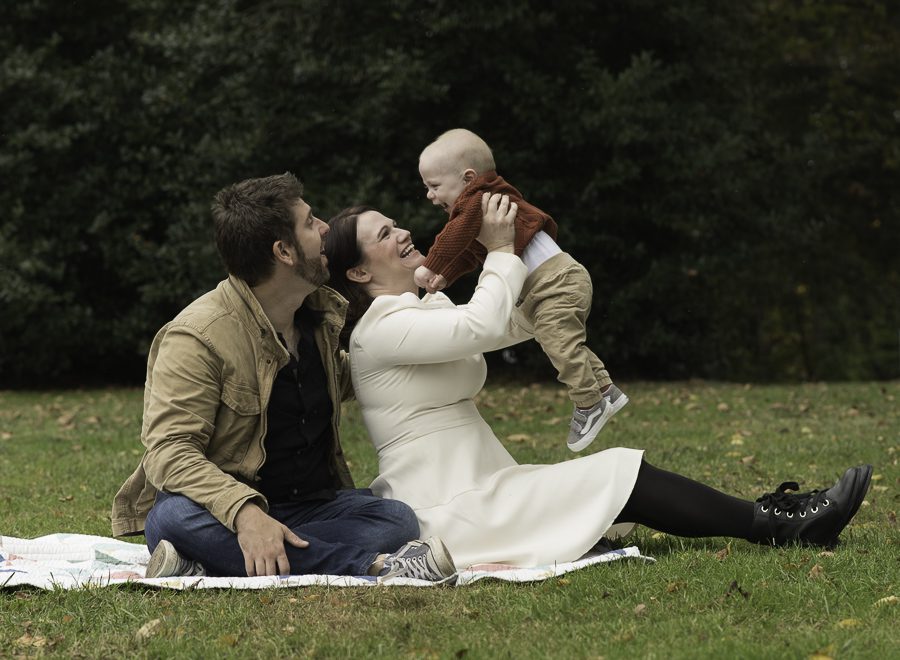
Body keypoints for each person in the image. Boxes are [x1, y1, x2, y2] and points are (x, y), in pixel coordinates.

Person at [324, 193, 872, 570]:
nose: (402, 231)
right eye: (384, 233)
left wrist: (556, 290)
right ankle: (779, 523)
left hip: (480, 486)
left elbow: (501, 326)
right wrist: (497, 249)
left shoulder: (422, 310)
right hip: (449, 507)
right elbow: (482, 322)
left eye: (395, 222)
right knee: (619, 474)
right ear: (358, 272)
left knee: (613, 482)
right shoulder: (381, 329)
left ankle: (779, 519)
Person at [110, 173, 455, 583]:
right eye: (311, 222)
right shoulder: (198, 336)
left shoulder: (319, 317)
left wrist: (422, 326)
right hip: (220, 507)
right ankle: (372, 566)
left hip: (309, 505)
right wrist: (245, 514)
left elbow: (365, 373)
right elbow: (169, 452)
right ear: (284, 251)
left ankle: (211, 560)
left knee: (395, 519)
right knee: (171, 518)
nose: (326, 228)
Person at [414, 128, 624, 452]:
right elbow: (471, 250)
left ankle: (588, 403)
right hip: (546, 286)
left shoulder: (481, 198)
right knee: (559, 339)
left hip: (556, 281)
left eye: (434, 186)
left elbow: (455, 234)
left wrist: (431, 264)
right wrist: (446, 276)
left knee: (558, 341)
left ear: (469, 178)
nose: (429, 195)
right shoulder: (484, 211)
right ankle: (605, 390)